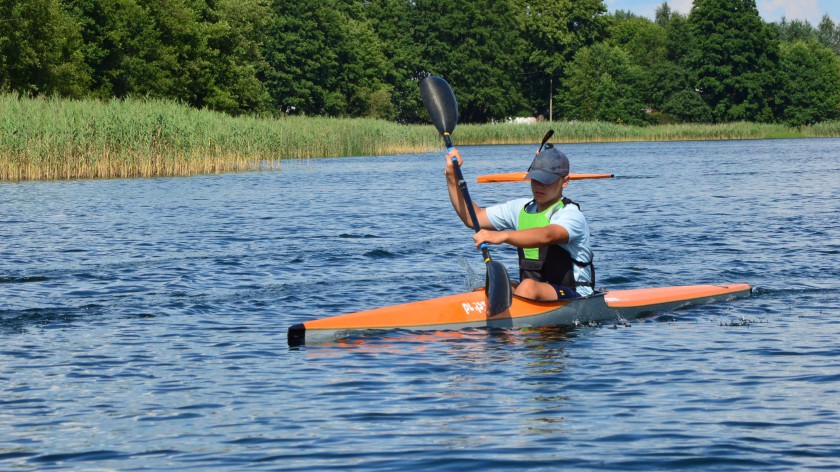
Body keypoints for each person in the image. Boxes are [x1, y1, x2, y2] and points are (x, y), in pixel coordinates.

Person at [445, 144, 595, 300]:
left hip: (576, 296)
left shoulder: (570, 214)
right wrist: (451, 177)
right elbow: (473, 217)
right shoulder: (520, 208)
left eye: (547, 181)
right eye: (535, 179)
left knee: (527, 287)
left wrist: (503, 236)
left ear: (565, 181)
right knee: (487, 290)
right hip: (534, 292)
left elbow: (547, 235)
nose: (539, 186)